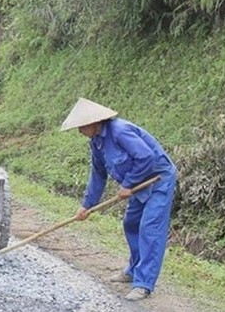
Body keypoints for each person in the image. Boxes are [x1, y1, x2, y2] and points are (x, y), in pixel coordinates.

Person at [61, 98, 177, 301]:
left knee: (149, 228)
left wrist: (127, 184)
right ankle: (132, 270)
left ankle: (143, 284)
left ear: (93, 122)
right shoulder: (96, 143)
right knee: (130, 223)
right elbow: (98, 175)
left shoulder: (120, 131)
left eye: (81, 126)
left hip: (158, 180)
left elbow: (146, 158)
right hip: (138, 184)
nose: (79, 131)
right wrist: (87, 205)